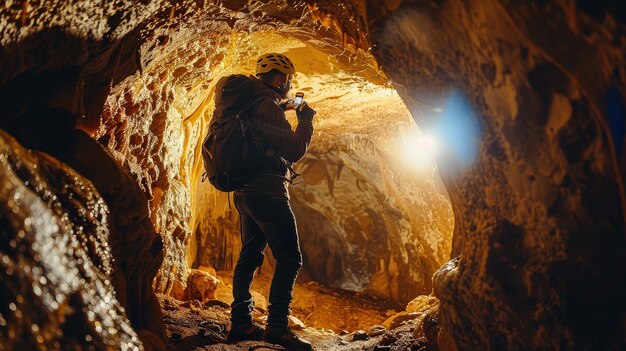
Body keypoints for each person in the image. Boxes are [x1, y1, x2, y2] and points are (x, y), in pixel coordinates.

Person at [226, 53, 316, 351]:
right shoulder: (265, 105)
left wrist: (284, 107)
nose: (290, 87)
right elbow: (293, 149)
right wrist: (305, 120)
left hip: (243, 193)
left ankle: (241, 322)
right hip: (268, 192)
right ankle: (277, 327)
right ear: (279, 78)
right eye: (288, 81)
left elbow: (261, 129)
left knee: (249, 256)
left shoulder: (248, 102)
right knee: (290, 258)